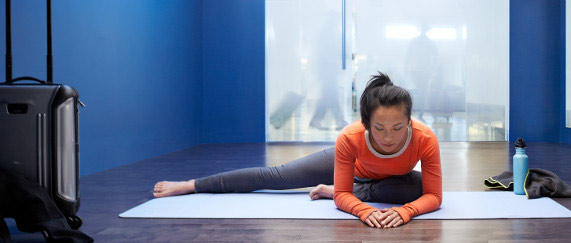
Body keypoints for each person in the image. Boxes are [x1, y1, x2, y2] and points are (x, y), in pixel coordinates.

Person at [153, 72, 442, 228]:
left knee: (417, 189)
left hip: (387, 182)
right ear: (365, 123)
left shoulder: (425, 138)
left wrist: (406, 213)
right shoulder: (350, 137)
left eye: (398, 127)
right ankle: (191, 185)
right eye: (379, 128)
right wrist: (363, 210)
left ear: (409, 121)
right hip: (353, 170)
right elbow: (344, 197)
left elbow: (434, 196)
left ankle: (351, 189)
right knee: (275, 177)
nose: (389, 137)